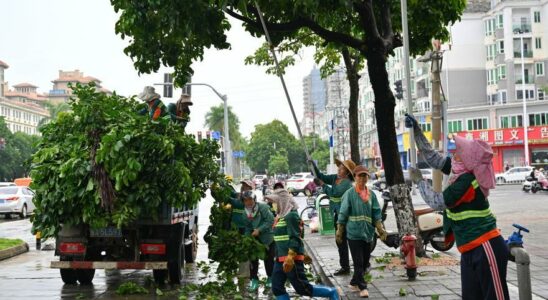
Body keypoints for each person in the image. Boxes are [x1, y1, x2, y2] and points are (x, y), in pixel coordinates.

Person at [406, 114, 510, 300]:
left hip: (486, 246)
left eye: (459, 152)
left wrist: (420, 181)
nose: (454, 153)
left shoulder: (466, 182)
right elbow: (434, 159)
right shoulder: (459, 171)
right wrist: (417, 132)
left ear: (468, 160)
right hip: (469, 248)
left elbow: (437, 202)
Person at [264, 189, 341, 300]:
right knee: (277, 287)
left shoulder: (291, 216)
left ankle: (332, 292)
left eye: (275, 202)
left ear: (282, 202)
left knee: (302, 288)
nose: (273, 205)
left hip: (291, 259)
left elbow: (295, 236)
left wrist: (292, 256)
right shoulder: (280, 216)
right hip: (280, 258)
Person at [336, 165, 386, 298]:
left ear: (368, 178)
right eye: (360, 176)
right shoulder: (349, 194)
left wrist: (380, 228)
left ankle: (354, 282)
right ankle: (363, 287)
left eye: (365, 176)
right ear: (355, 177)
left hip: (368, 233)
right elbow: (343, 213)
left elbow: (376, 212)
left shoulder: (371, 195)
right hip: (353, 233)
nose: (362, 178)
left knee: (365, 262)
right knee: (358, 261)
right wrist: (340, 230)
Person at [309, 159, 355, 276]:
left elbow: (334, 193)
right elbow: (321, 176)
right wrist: (313, 165)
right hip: (337, 214)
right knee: (340, 241)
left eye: (342, 168)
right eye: (339, 167)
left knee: (344, 240)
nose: (339, 169)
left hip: (345, 215)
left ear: (347, 172)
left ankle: (349, 266)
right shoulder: (335, 178)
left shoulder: (347, 183)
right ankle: (345, 266)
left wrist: (322, 185)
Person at [241, 190, 275, 292]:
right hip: (254, 239)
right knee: (253, 260)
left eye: (250, 200)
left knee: (268, 260)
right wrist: (246, 238)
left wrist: (259, 230)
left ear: (254, 199)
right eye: (245, 200)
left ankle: (270, 278)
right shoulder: (244, 213)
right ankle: (254, 280)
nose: (248, 202)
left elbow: (270, 220)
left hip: (267, 238)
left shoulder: (263, 207)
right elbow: (247, 227)